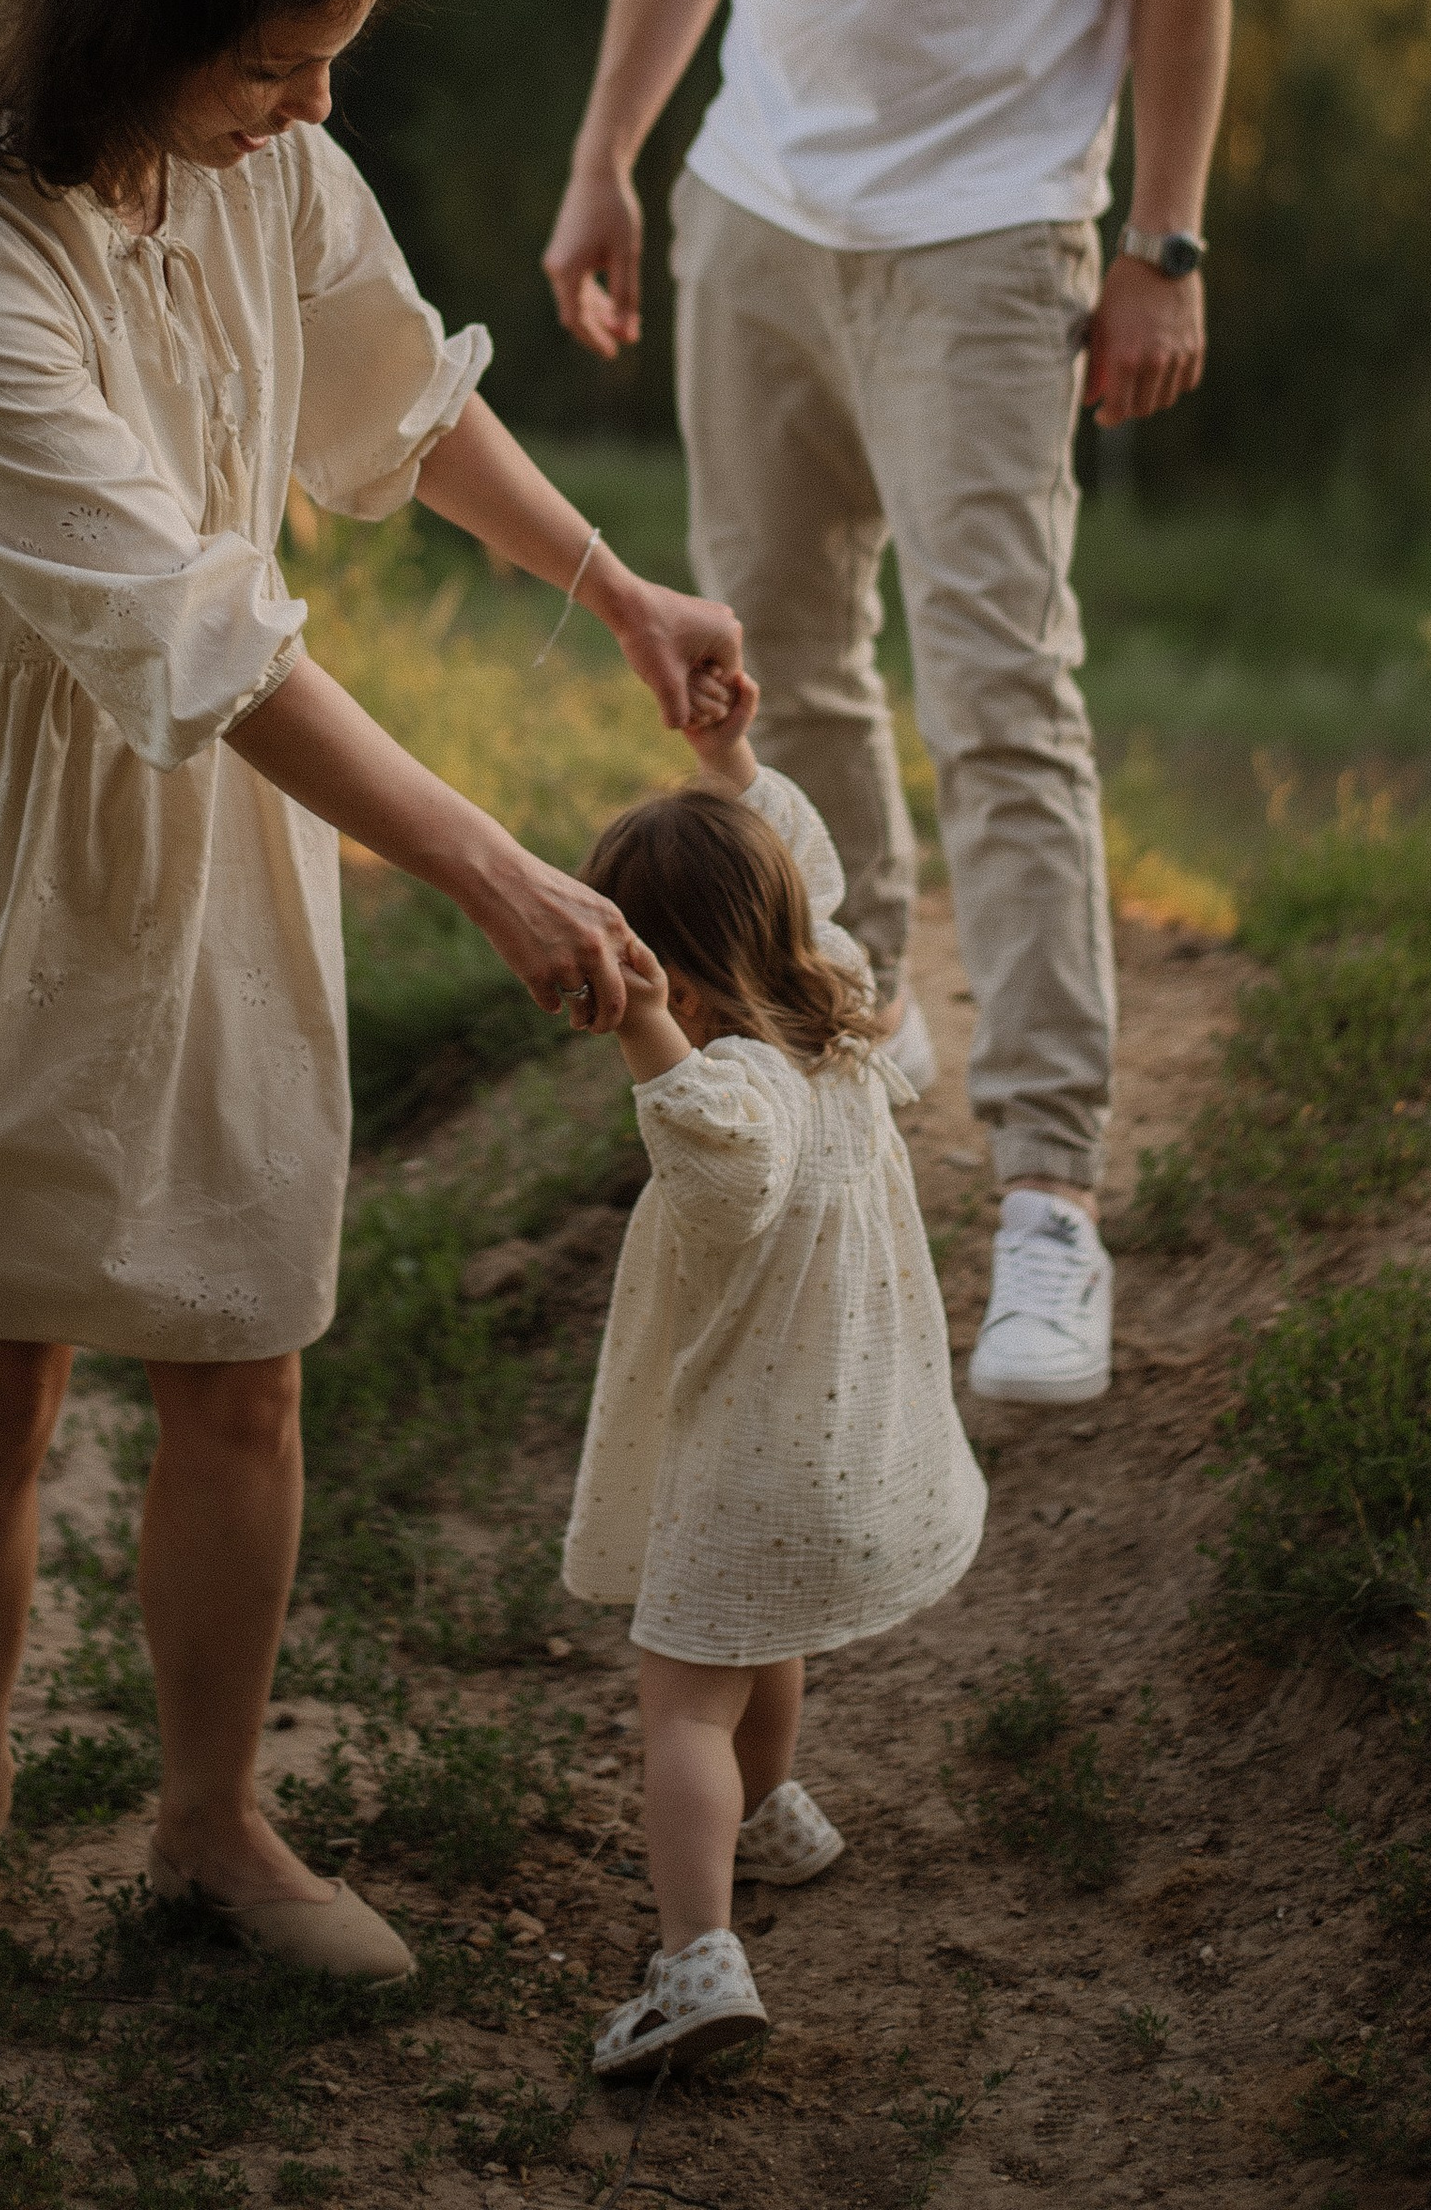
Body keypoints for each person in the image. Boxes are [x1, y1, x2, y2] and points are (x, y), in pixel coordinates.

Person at [0, 0, 739, 1969]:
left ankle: (207, 1828)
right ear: (141, 18)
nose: (307, 109)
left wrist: (618, 590)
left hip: (226, 812)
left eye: (327, 70)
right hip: (0, 829)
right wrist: (486, 864)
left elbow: (389, 391)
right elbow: (189, 627)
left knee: (240, 1347)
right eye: (278, 68)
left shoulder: (262, 163)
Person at [543, 0, 1293, 1409]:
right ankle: (849, 1086)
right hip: (757, 207)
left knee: (998, 692)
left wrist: (1159, 237)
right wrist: (606, 151)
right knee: (763, 687)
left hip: (993, 228)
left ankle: (1048, 1195)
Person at [563, 663, 986, 2082]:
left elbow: (705, 1141)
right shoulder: (843, 1016)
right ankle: (781, 1814)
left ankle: (697, 1959)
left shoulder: (730, 1092)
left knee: (682, 1695)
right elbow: (797, 860)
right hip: (839, 1450)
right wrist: (734, 761)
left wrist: (633, 1018)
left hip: (749, 1458)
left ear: (671, 974)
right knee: (767, 1638)